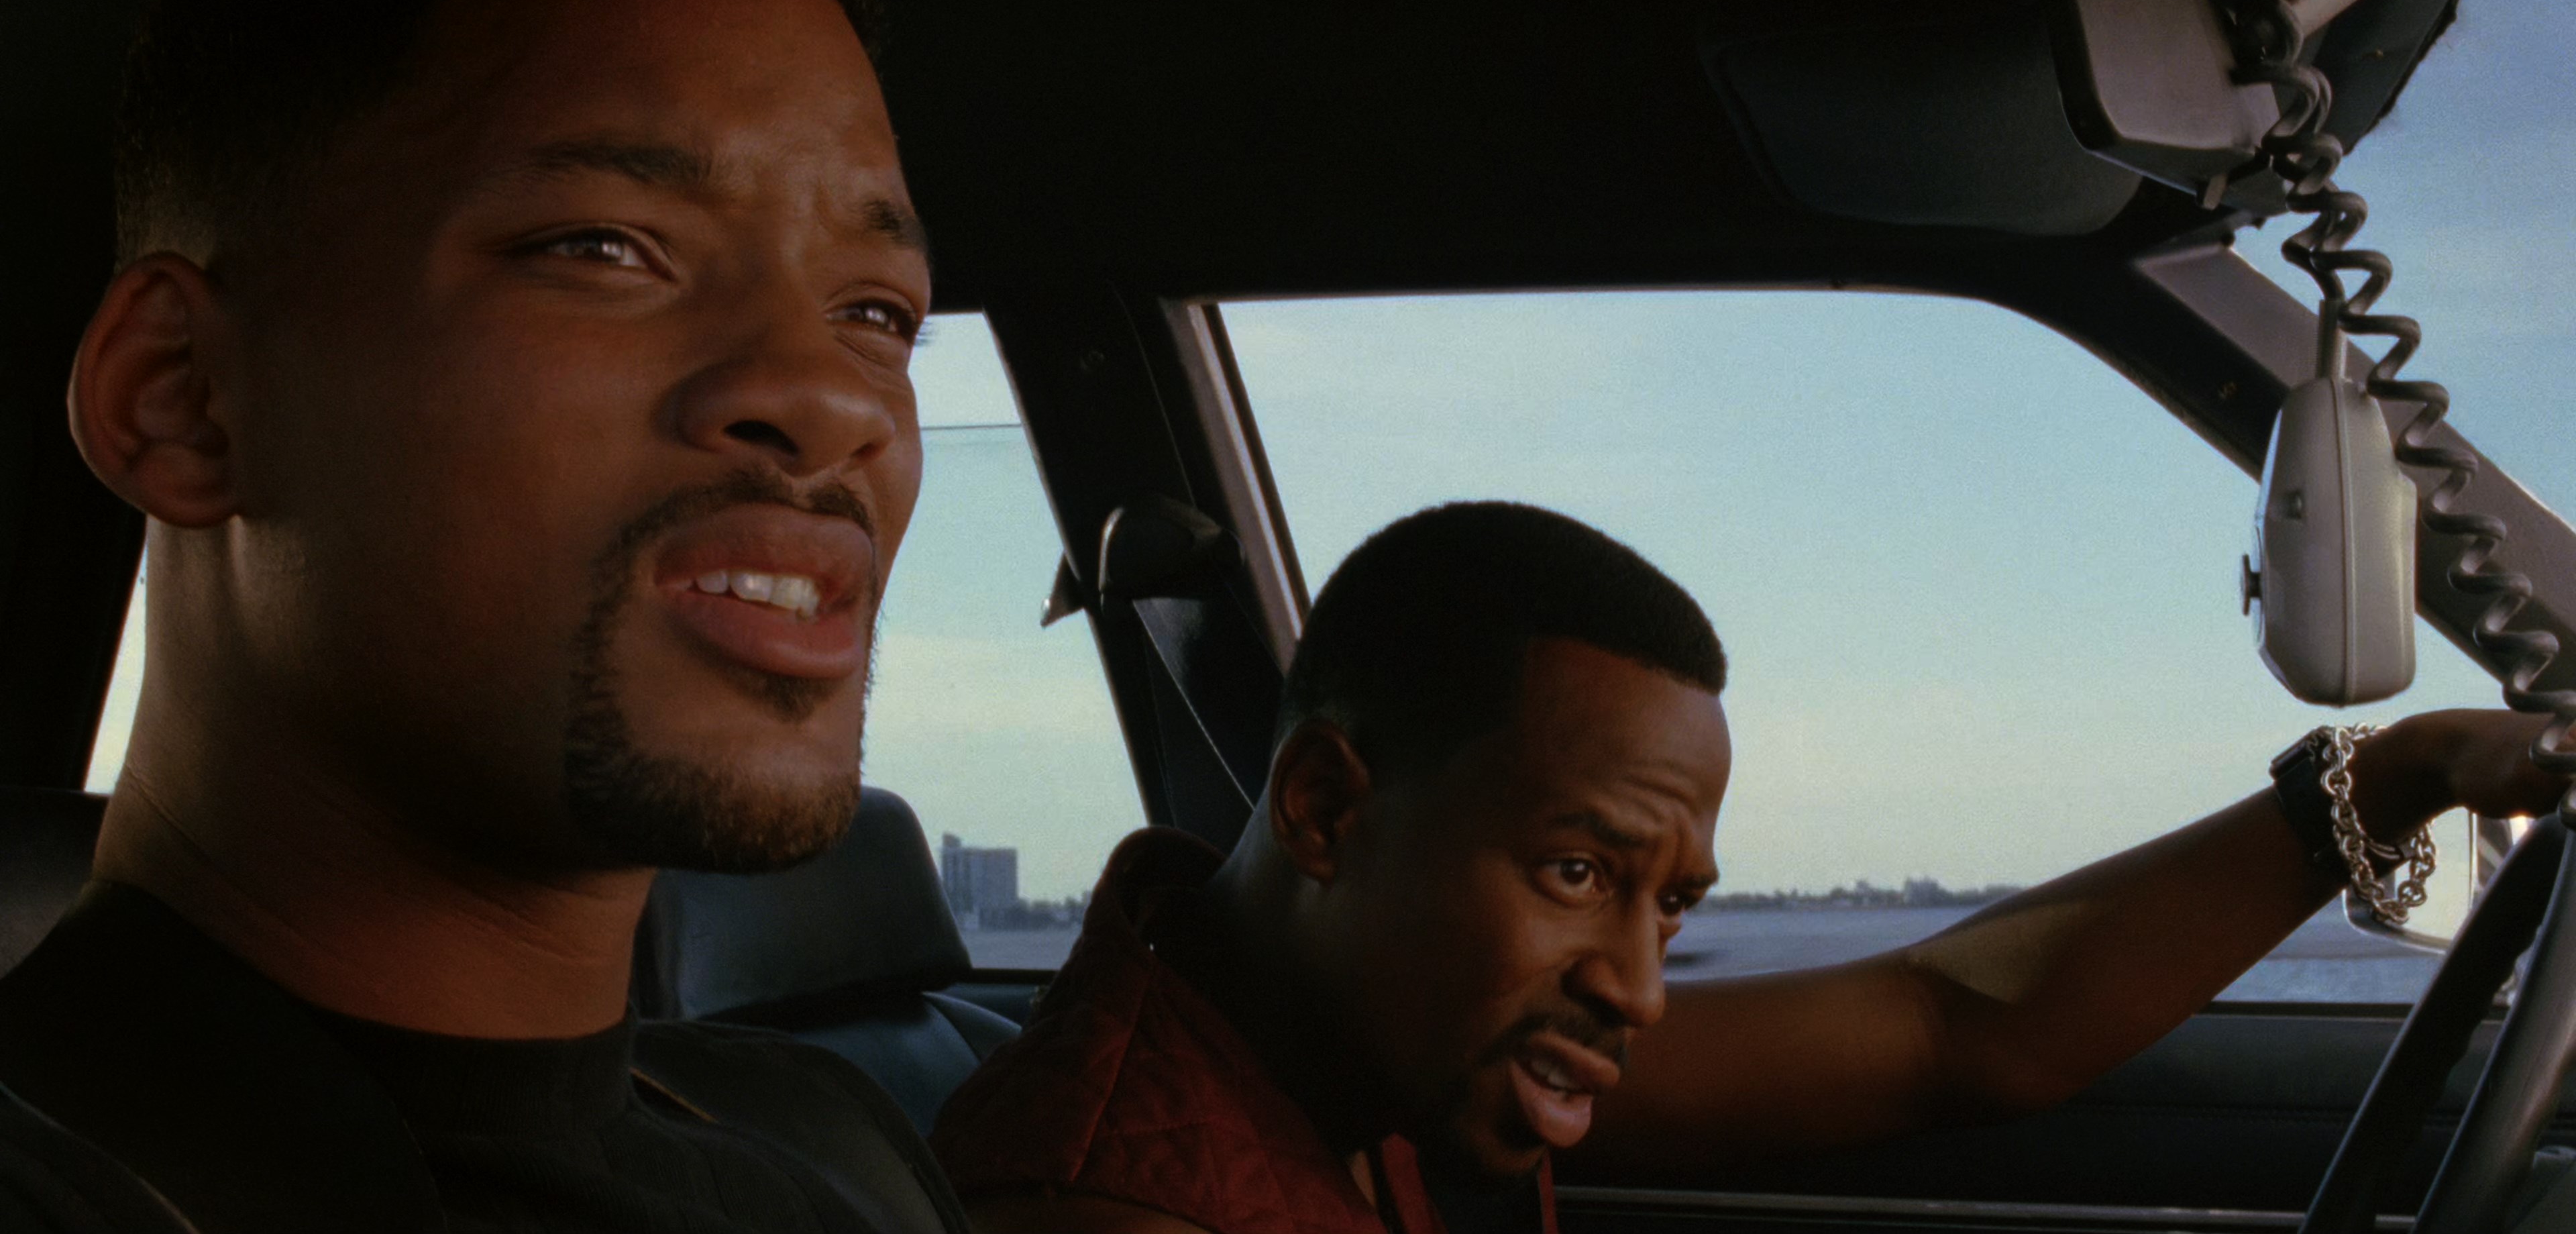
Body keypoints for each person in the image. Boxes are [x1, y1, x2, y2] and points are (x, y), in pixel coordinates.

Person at [0, 0, 961, 1231]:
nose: (832, 398)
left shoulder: (839, 1159)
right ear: (185, 399)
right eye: (606, 248)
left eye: (875, 314)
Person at [932, 501, 2572, 1234]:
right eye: (1580, 872)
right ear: (1323, 813)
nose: (1640, 990)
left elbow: (1953, 1027)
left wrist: (2402, 771)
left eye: (1671, 906)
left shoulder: (1366, 1050)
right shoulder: (1119, 1205)